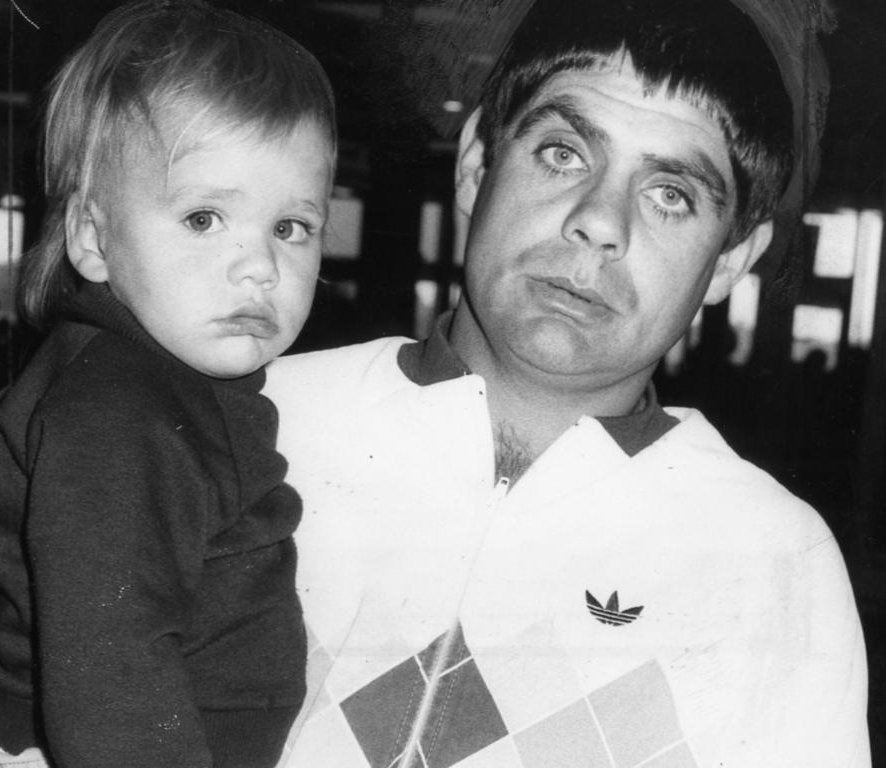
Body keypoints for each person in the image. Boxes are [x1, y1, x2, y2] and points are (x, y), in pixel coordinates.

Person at [263, 0, 870, 766]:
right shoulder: (257, 419)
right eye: (563, 153)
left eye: (670, 195)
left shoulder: (777, 563)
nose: (599, 221)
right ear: (477, 165)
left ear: (728, 262)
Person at [0, 2, 336, 767]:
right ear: (93, 239)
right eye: (203, 218)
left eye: (290, 227)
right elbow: (106, 658)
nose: (260, 265)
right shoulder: (116, 408)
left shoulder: (173, 385)